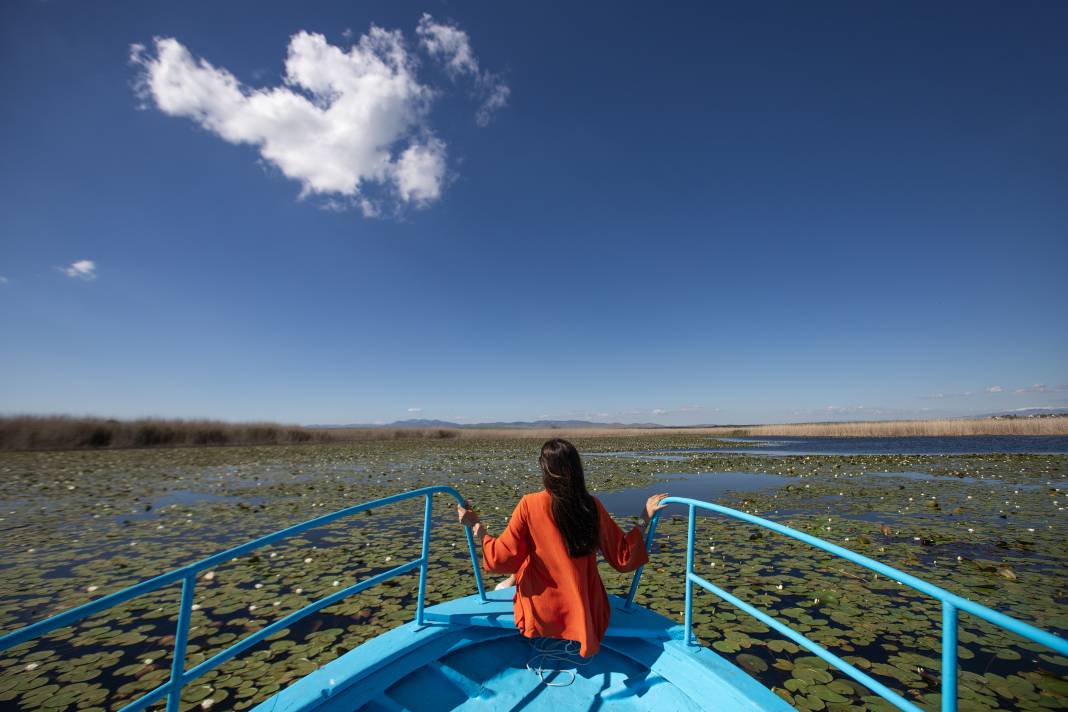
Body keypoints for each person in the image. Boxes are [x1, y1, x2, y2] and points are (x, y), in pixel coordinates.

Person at [456, 438, 669, 658]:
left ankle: (511, 581)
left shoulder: (529, 504)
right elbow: (623, 556)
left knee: (528, 557)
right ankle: (513, 581)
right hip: (584, 610)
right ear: (577, 469)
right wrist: (644, 518)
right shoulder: (591, 506)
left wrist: (477, 527)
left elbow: (501, 557)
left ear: (545, 470)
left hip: (541, 611)